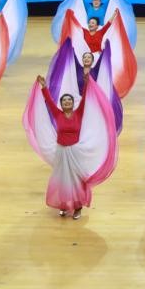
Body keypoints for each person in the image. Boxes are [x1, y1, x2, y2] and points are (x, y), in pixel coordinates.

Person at [27, 75, 118, 219]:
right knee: (63, 179)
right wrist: (44, 87)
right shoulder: (57, 114)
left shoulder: (78, 113)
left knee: (76, 180)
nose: (67, 102)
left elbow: (85, 99)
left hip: (75, 152)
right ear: (61, 104)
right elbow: (49, 102)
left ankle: (77, 207)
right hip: (61, 151)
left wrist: (87, 84)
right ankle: (64, 205)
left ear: (72, 103)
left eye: (69, 100)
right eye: (64, 100)